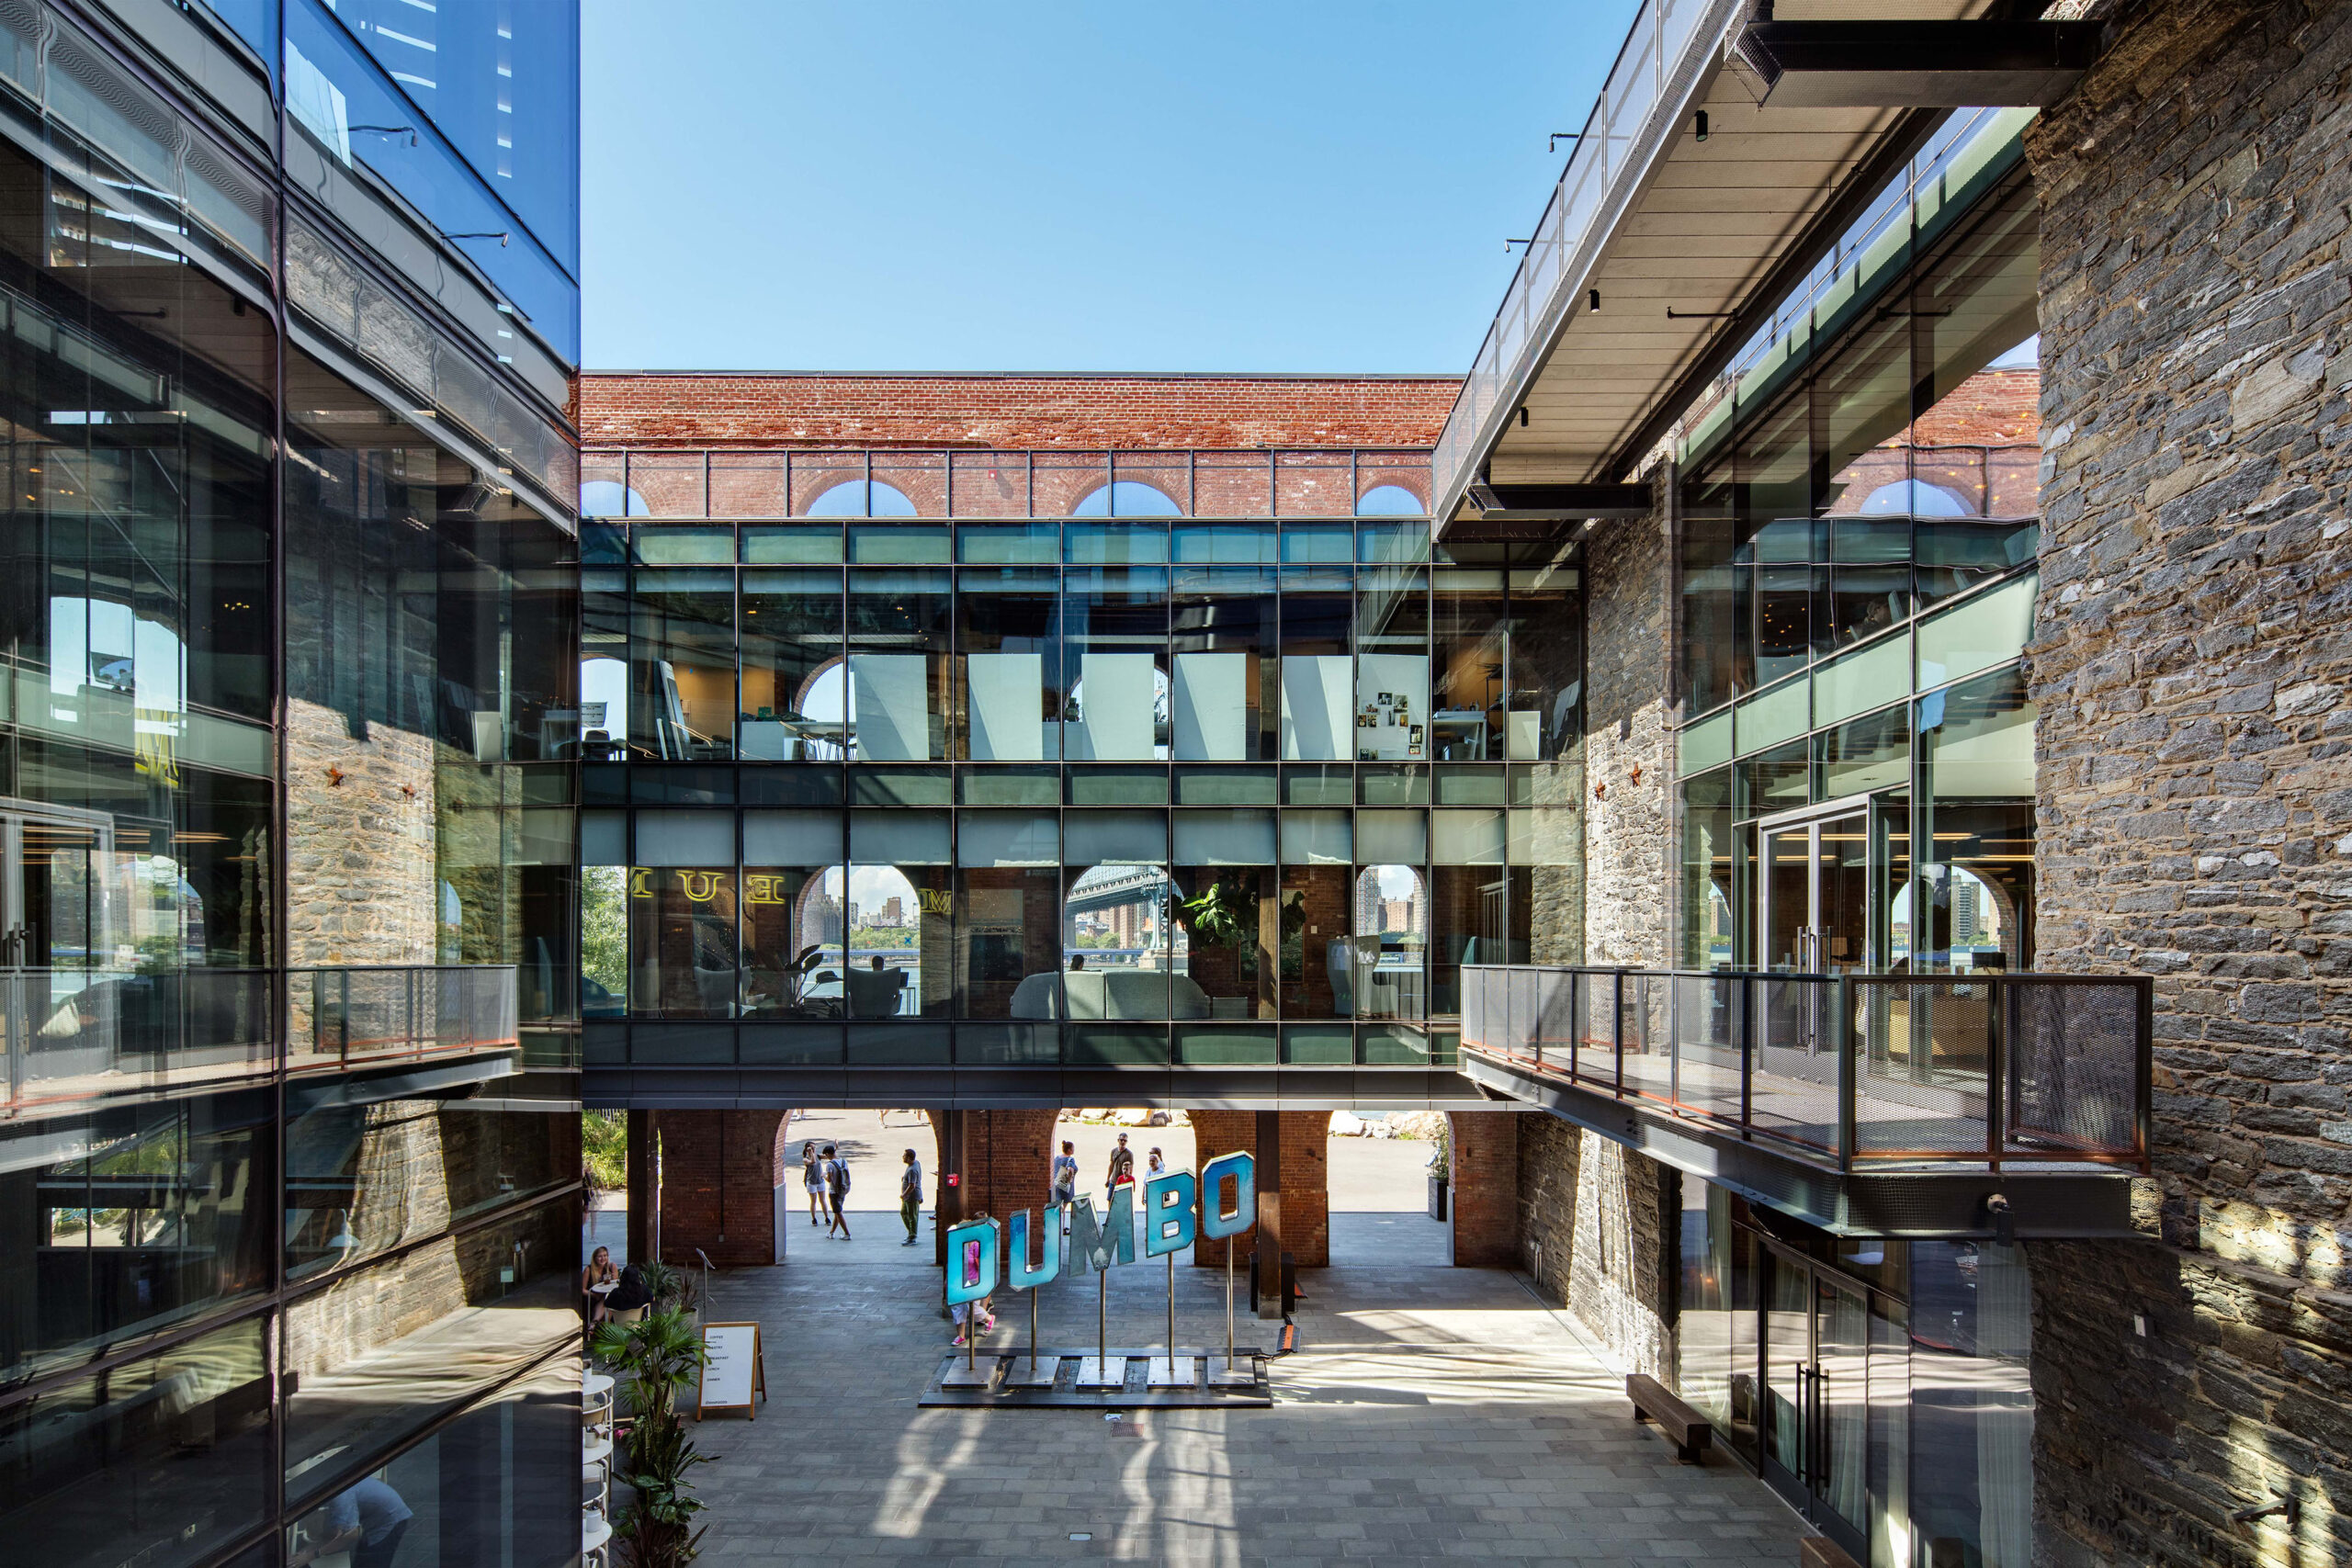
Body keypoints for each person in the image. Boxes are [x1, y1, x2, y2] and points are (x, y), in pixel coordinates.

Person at [326, 1475, 413, 1568]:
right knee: (364, 1557)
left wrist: (318, 1552)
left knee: (374, 1560)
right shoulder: (342, 1483)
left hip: (390, 1519)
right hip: (383, 1514)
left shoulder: (342, 1495)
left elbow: (350, 1533)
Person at [581, 1245, 619, 1324]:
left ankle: (595, 1322)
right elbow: (582, 1290)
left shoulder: (612, 1267)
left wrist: (613, 1278)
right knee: (608, 1302)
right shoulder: (588, 1270)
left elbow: (616, 1285)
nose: (603, 1258)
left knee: (609, 1300)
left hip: (607, 1296)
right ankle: (602, 1325)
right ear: (595, 1258)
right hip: (593, 1298)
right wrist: (594, 1295)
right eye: (600, 1256)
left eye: (605, 1256)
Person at [824, 1144, 853, 1238]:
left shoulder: (830, 1165)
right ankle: (831, 1232)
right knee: (837, 1212)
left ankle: (847, 1234)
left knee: (838, 1213)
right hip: (843, 1189)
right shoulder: (844, 1161)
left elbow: (829, 1179)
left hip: (834, 1191)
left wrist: (823, 1175)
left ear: (828, 1154)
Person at [899, 1147, 923, 1246]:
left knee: (912, 1216)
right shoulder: (916, 1163)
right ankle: (911, 1233)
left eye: (905, 1156)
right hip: (909, 1197)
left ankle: (912, 1237)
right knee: (904, 1213)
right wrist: (905, 1178)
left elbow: (912, 1185)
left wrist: (904, 1194)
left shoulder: (912, 1170)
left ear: (909, 1158)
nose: (903, 1157)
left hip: (911, 1197)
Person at [801, 1140, 824, 1226]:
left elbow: (829, 1155)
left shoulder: (818, 1156)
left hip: (820, 1181)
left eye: (814, 1148)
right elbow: (813, 1162)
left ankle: (826, 1217)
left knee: (823, 1200)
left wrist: (835, 1148)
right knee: (813, 1201)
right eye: (811, 1148)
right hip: (811, 1182)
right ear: (807, 1149)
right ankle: (814, 1219)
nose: (814, 1149)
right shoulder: (806, 1159)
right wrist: (811, 1153)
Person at [1106, 1132, 1135, 1199]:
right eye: (1121, 1140)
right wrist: (1108, 1179)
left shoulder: (1129, 1154)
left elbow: (1131, 1169)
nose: (1123, 1142)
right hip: (1113, 1180)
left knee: (1120, 1200)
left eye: (1125, 1140)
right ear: (1118, 1140)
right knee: (1110, 1199)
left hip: (1122, 1182)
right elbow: (1111, 1165)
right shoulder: (1113, 1151)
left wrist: (1127, 1181)